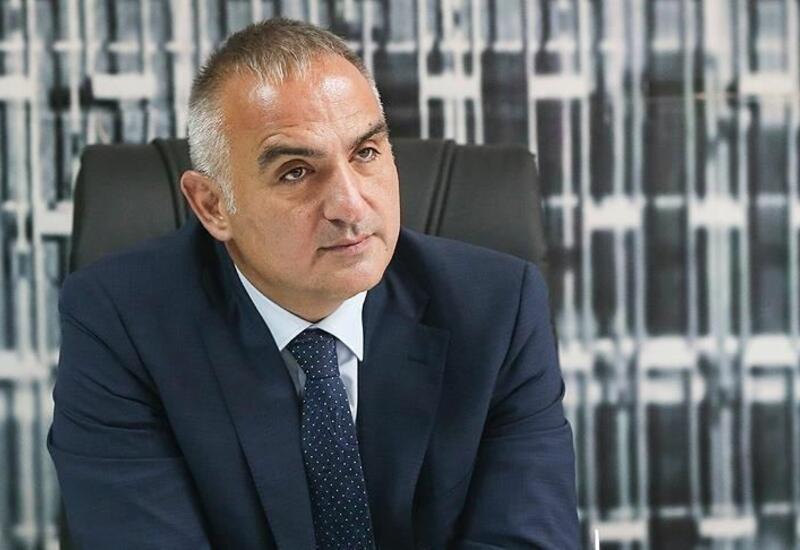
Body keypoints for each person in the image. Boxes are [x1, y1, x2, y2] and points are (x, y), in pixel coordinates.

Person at [48, 18, 579, 549]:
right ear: (212, 206)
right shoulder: (120, 324)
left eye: (365, 153)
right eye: (296, 172)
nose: (350, 206)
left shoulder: (498, 309)